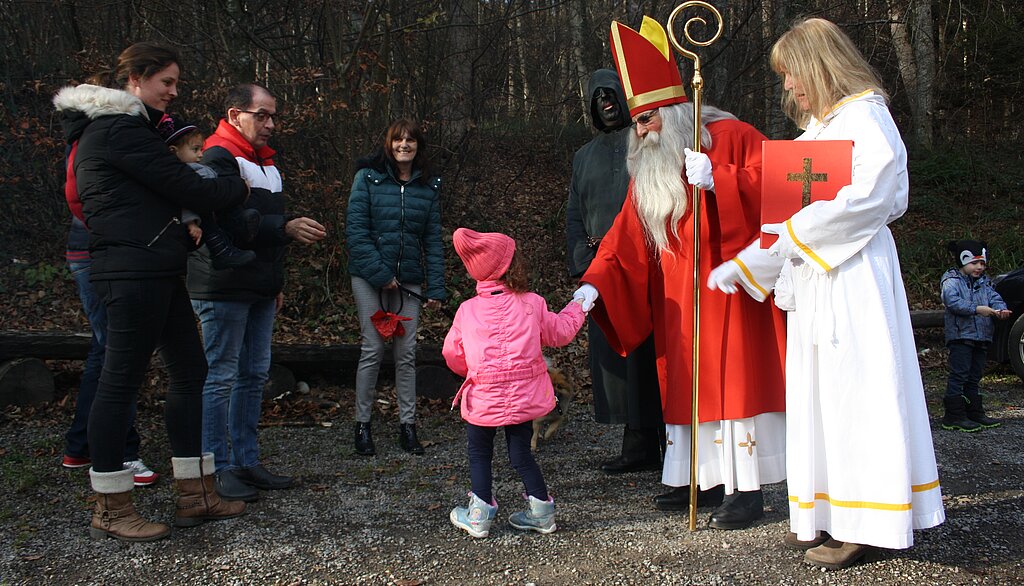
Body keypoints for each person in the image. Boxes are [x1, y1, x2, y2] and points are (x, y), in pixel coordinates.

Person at [721, 17, 944, 568]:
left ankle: (869, 520)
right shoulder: (820, 129)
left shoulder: (868, 118)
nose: (789, 87)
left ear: (818, 67)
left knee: (857, 391)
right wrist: (749, 263)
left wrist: (792, 235)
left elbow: (871, 199)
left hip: (854, 276)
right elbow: (787, 212)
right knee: (822, 395)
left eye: (792, 73)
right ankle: (831, 512)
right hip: (819, 278)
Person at [573, 16, 788, 530]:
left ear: (673, 110)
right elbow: (625, 235)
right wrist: (592, 284)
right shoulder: (649, 164)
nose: (640, 132)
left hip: (733, 290)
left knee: (733, 384)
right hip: (681, 302)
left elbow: (786, 191)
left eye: (648, 120)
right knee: (688, 382)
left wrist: (723, 180)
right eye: (636, 122)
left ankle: (746, 489)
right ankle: (703, 477)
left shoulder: (733, 136)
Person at [53, 42, 248, 541]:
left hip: (155, 266)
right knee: (121, 381)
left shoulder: (127, 131)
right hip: (130, 270)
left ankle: (195, 494)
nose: (173, 92)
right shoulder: (117, 130)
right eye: (167, 82)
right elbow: (193, 189)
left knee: (190, 370)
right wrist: (237, 185)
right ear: (136, 80)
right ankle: (112, 507)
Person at [188, 84, 327, 502]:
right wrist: (283, 229)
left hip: (258, 287)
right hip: (223, 285)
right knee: (221, 377)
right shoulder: (216, 157)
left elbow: (266, 229)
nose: (270, 125)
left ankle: (247, 461)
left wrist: (274, 282)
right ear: (235, 115)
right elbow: (227, 224)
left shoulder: (266, 165)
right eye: (262, 115)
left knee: (252, 376)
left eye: (273, 117)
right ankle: (217, 467)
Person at [444, 228, 586, 538]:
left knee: (479, 452)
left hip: (483, 397)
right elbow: (560, 332)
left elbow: (451, 353)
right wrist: (580, 305)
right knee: (521, 453)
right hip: (525, 397)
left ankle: (479, 516)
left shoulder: (467, 311)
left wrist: (472, 370)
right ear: (511, 266)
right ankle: (542, 514)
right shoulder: (532, 303)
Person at [566, 68, 664, 476]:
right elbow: (574, 212)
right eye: (598, 97)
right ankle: (636, 442)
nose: (606, 102)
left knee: (648, 354)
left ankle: (662, 442)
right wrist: (581, 261)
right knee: (615, 356)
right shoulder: (583, 156)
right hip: (600, 268)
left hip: (644, 260)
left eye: (612, 94)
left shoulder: (645, 141)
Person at [345, 119, 446, 457]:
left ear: (418, 146)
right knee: (372, 349)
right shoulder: (367, 179)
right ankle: (362, 425)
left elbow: (432, 241)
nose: (404, 145)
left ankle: (408, 426)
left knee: (406, 355)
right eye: (398, 139)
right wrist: (380, 273)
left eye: (411, 140)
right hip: (368, 278)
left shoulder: (428, 187)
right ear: (388, 144)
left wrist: (437, 288)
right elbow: (356, 232)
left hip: (408, 281)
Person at [157, 115, 258, 269]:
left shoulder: (194, 168)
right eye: (195, 149)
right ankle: (222, 251)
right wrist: (191, 222)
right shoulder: (182, 174)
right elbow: (183, 201)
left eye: (201, 149)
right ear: (174, 151)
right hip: (200, 216)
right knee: (212, 232)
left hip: (210, 211)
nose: (201, 154)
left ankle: (236, 227)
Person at [940, 239, 1009, 432]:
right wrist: (977, 309)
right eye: (975, 263)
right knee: (959, 374)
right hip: (961, 336)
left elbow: (995, 298)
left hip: (982, 336)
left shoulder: (984, 282)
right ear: (963, 261)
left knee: (974, 375)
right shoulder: (951, 281)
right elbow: (952, 302)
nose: (979, 267)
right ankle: (954, 415)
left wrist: (1000, 309)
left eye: (982, 263)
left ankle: (974, 411)